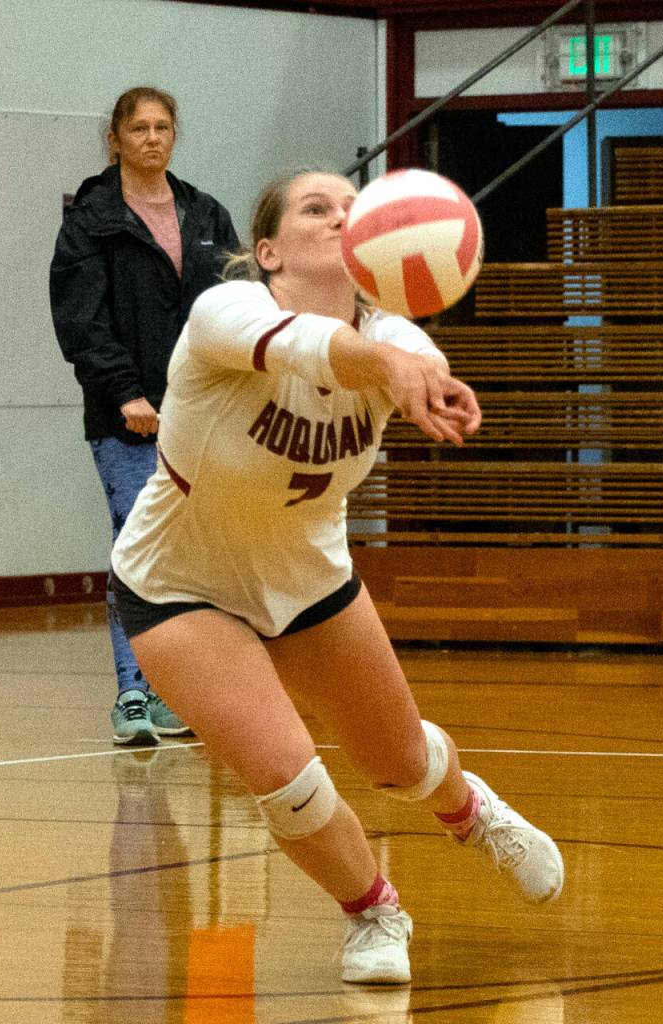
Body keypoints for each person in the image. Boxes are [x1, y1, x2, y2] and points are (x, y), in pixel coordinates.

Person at [108, 169, 565, 984]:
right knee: (285, 776)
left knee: (400, 762)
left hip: (308, 578)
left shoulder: (402, 337)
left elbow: (412, 356)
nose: (341, 219)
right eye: (317, 209)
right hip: (180, 581)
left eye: (354, 208)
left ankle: (469, 811)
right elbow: (321, 350)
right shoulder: (227, 313)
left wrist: (423, 377)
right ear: (269, 250)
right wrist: (388, 368)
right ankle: (374, 911)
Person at [50, 86, 239, 746]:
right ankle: (132, 691)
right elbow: (81, 320)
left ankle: (168, 692)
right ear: (117, 139)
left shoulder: (205, 213)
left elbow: (234, 306)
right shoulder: (92, 219)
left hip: (200, 416)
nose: (153, 138)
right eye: (140, 128)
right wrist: (127, 391)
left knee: (185, 554)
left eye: (163, 127)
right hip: (126, 418)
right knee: (137, 546)